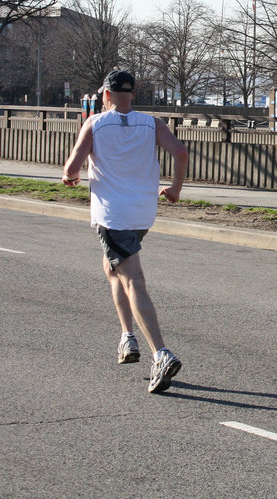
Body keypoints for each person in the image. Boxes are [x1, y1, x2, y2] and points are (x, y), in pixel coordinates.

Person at [63, 70, 189, 394]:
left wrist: (70, 177)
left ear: (105, 96)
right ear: (131, 95)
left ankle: (160, 352)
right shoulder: (152, 123)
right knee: (111, 267)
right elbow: (181, 151)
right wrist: (174, 188)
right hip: (143, 213)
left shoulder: (94, 124)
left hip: (112, 216)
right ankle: (127, 337)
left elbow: (71, 168)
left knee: (133, 278)